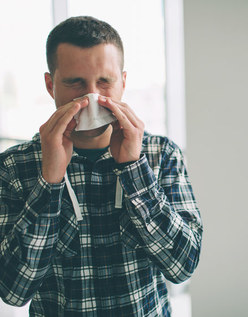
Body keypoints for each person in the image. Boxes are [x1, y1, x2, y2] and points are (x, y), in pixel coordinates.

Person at [0, 16, 202, 316]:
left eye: (104, 82)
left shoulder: (161, 154)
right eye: (75, 83)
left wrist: (134, 170)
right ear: (50, 84)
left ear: (123, 82)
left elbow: (182, 267)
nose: (91, 98)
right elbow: (14, 291)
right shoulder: (15, 166)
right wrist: (49, 180)